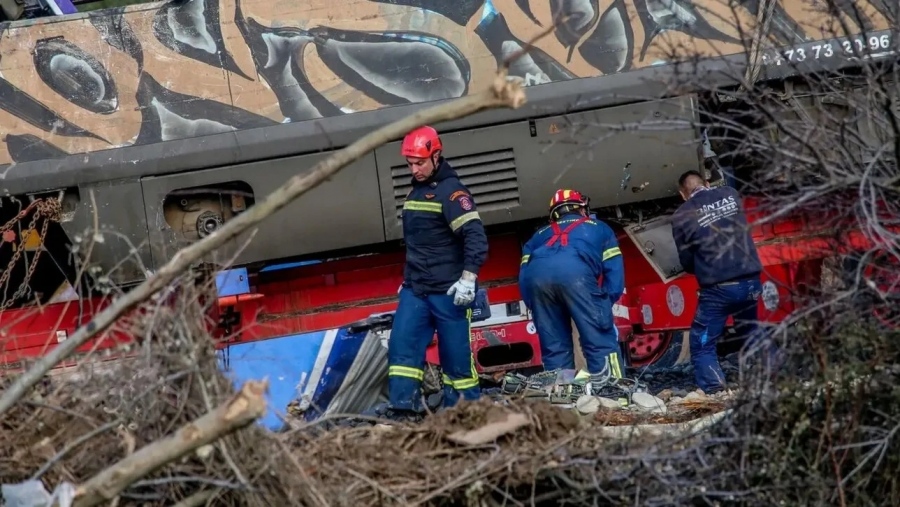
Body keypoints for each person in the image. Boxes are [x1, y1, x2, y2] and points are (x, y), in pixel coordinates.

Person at [384, 125, 489, 422]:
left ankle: (465, 412)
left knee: (456, 359)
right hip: (417, 289)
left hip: (449, 292)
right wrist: (408, 280)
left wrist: (468, 278)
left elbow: (475, 237)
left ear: (437, 156)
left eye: (420, 163)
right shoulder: (417, 190)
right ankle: (403, 409)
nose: (414, 169)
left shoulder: (453, 194)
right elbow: (419, 243)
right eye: (410, 163)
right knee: (402, 349)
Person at [518, 189, 628, 396]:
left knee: (555, 348)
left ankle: (563, 401)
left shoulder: (537, 236)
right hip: (576, 276)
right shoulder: (600, 228)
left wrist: (536, 305)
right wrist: (604, 303)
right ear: (581, 208)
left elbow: (524, 277)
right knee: (600, 341)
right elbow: (614, 272)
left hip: (537, 282)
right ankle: (615, 396)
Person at [670, 170, 764, 394]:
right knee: (751, 330)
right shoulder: (730, 193)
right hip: (751, 282)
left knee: (702, 344)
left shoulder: (682, 215)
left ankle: (716, 390)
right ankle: (775, 375)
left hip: (720, 290)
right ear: (708, 183)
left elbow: (686, 262)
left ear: (683, 194)